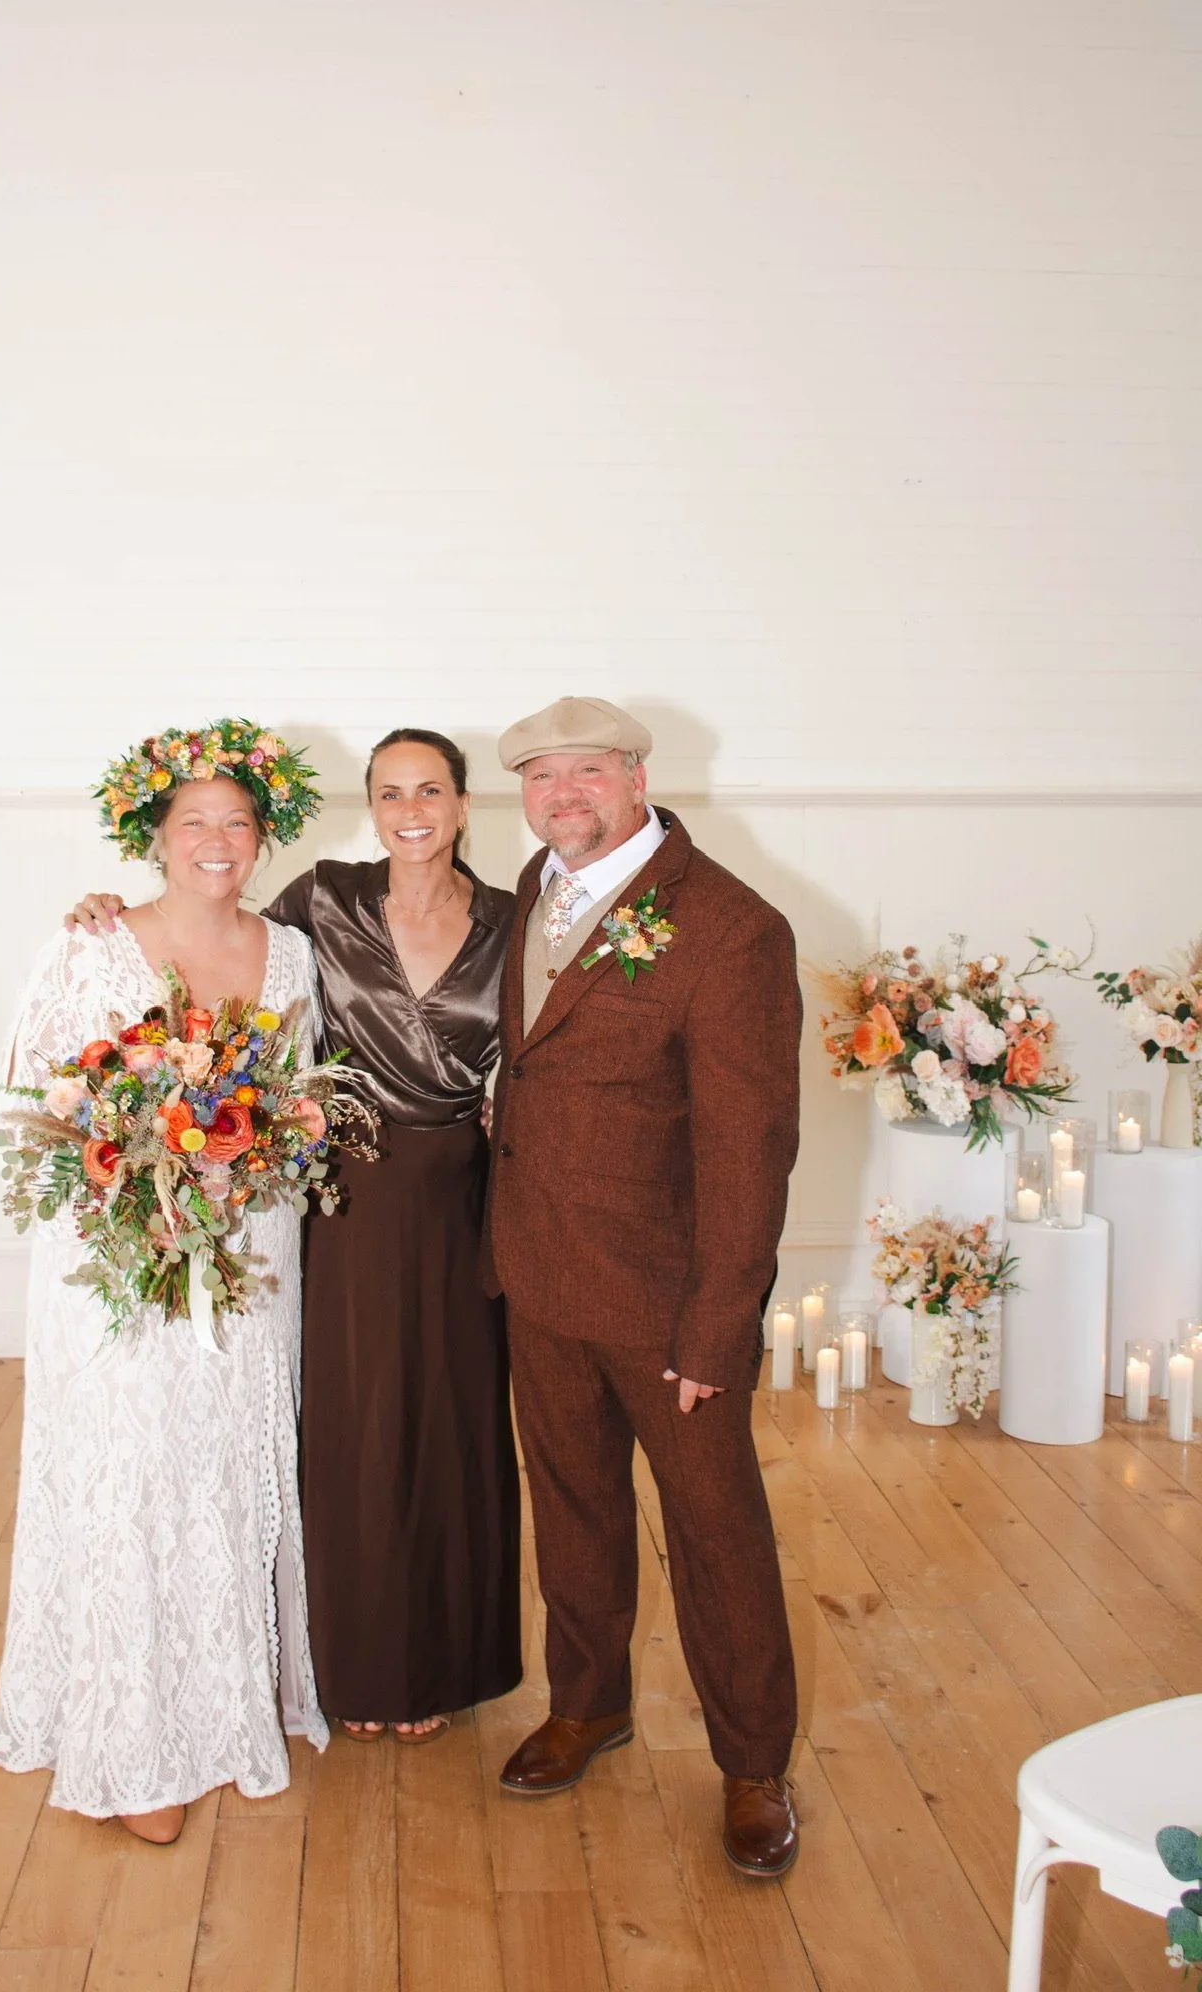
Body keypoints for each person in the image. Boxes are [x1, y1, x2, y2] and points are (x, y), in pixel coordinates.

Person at [70, 728, 522, 1744]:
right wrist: (106, 911)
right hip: (342, 1197)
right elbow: (207, 941)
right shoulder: (324, 899)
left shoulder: (509, 917)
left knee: (452, 1426)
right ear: (371, 806)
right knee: (351, 1429)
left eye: (431, 791)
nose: (411, 811)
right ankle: (353, 1668)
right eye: (391, 792)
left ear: (460, 804)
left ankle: (442, 1666)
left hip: (460, 1196)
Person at [0, 720, 328, 1846]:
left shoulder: (290, 953)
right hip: (126, 1259)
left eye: (238, 821)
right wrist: (148, 1182)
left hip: (250, 1252)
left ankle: (226, 1713)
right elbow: (36, 1108)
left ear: (263, 834)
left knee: (223, 1471)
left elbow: (300, 1102)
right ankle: (133, 1746)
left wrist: (260, 1153)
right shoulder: (94, 946)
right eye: (196, 823)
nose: (219, 841)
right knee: (136, 1473)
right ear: (156, 835)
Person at [483, 695, 803, 1879]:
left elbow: (747, 1146)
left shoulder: (730, 927)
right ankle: (589, 1703)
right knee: (570, 1509)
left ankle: (754, 1762)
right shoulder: (535, 885)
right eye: (540, 776)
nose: (563, 795)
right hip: (540, 1273)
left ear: (637, 774)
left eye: (588, 772)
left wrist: (720, 1325)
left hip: (672, 1307)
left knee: (716, 1535)